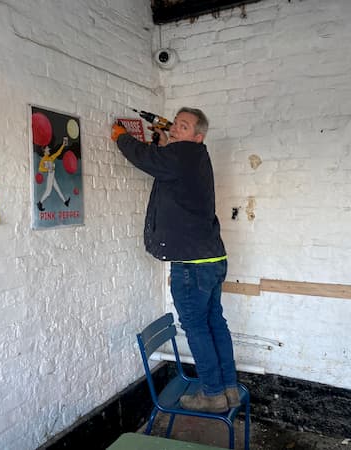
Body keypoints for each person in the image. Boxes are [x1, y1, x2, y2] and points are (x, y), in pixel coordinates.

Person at [111, 108, 239, 413]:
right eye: (176, 124)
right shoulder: (194, 158)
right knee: (214, 323)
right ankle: (229, 389)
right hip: (213, 257)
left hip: (192, 265)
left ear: (197, 136)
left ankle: (212, 394)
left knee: (196, 326)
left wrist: (121, 138)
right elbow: (164, 162)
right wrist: (164, 142)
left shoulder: (183, 155)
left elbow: (147, 159)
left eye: (183, 127)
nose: (176, 129)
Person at [37, 137, 70, 211]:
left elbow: (58, 153)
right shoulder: (43, 159)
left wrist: (63, 145)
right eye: (48, 149)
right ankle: (39, 203)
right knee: (48, 192)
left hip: (52, 176)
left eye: (48, 149)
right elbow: (40, 168)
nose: (49, 149)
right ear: (44, 150)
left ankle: (65, 202)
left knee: (58, 189)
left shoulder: (51, 158)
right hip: (50, 176)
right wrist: (48, 168)